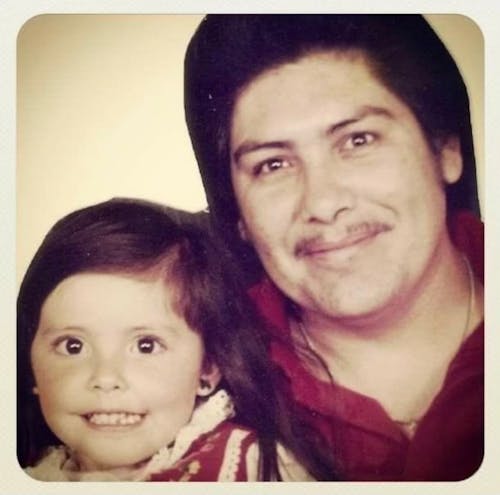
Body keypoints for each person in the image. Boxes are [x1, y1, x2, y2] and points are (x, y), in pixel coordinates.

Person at [184, 14, 484, 481]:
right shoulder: (181, 384)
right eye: (273, 165)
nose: (322, 204)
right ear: (238, 213)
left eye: (357, 140)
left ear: (446, 150)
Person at [17, 197, 335, 481]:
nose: (106, 379)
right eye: (73, 346)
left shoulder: (255, 468)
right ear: (31, 366)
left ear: (207, 368)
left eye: (146, 345)